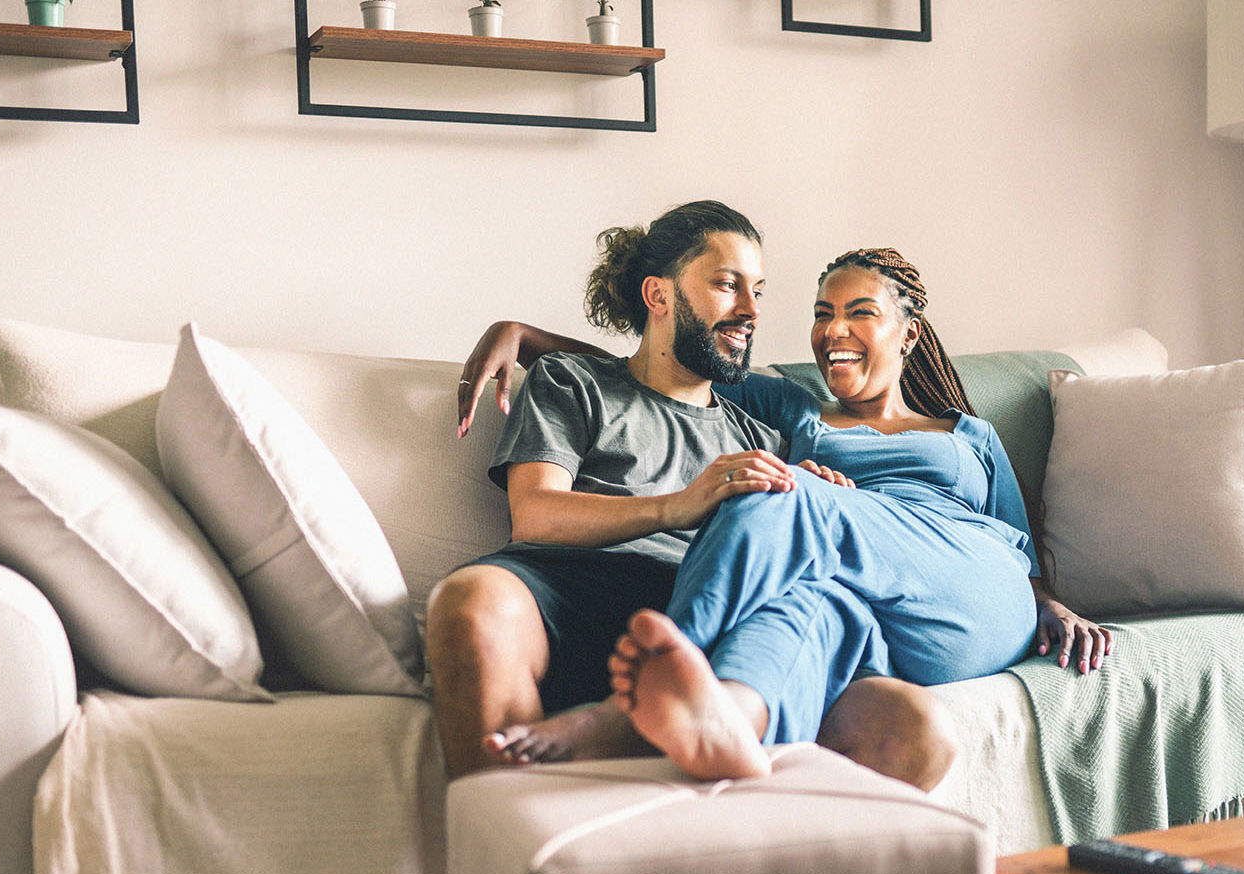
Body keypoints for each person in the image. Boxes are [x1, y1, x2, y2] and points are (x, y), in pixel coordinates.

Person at [462, 248, 1114, 784]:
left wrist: (1049, 603)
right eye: (822, 314)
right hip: (861, 599)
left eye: (859, 313)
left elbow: (1017, 551)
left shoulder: (968, 436)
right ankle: (726, 721)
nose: (833, 331)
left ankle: (623, 714)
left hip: (967, 590)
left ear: (909, 333)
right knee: (788, 560)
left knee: (780, 487)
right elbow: (655, 368)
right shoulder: (793, 408)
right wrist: (523, 337)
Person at [428, 201, 956, 798]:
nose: (751, 311)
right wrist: (678, 505)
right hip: (565, 590)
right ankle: (513, 854)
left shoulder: (760, 437)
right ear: (659, 295)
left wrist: (812, 491)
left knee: (915, 729)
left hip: (706, 619)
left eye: (757, 291)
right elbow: (536, 513)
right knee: (470, 602)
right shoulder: (572, 382)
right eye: (728, 286)